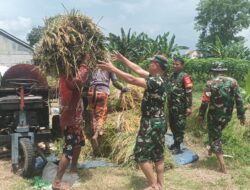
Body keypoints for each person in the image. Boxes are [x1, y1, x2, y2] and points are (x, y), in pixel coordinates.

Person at [99, 52, 168, 190]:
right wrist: (122, 58)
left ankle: (153, 186)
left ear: (156, 65)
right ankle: (160, 185)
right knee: (158, 154)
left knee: (140, 153)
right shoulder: (158, 78)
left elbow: (132, 80)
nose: (149, 64)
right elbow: (136, 69)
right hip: (160, 121)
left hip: (151, 122)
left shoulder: (155, 81)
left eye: (151, 62)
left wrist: (113, 69)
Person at [198, 62, 246, 174]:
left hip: (214, 115)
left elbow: (205, 101)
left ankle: (222, 166)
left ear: (213, 71)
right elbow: (239, 100)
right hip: (227, 115)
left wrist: (201, 115)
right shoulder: (233, 82)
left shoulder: (210, 83)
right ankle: (210, 151)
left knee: (215, 138)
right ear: (223, 71)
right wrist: (241, 116)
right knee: (216, 133)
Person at [52, 55, 89, 190]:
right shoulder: (67, 74)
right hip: (70, 117)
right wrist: (84, 64)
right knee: (69, 149)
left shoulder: (68, 72)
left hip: (75, 116)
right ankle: (57, 182)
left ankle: (73, 169)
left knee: (78, 143)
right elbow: (77, 82)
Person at [86, 68, 128, 156]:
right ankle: (96, 135)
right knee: (100, 116)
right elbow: (115, 82)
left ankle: (96, 148)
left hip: (91, 92)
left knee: (93, 116)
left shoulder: (92, 65)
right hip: (102, 92)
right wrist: (123, 88)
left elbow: (86, 81)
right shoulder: (108, 66)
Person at [167, 57, 193, 154]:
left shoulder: (185, 76)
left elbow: (189, 92)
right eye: (173, 64)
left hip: (181, 107)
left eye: (177, 64)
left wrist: (189, 107)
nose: (174, 66)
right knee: (173, 125)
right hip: (171, 106)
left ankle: (178, 146)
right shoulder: (171, 76)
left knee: (179, 126)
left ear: (182, 65)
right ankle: (175, 143)